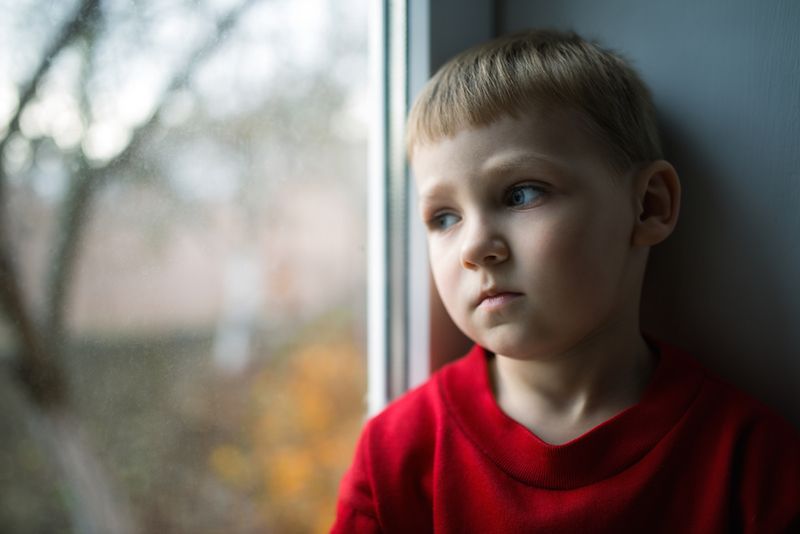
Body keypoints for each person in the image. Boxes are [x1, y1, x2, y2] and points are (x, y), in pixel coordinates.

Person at [331, 29, 800, 533]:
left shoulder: (751, 465)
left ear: (649, 206)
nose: (473, 248)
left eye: (520, 194)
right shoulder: (395, 456)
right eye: (444, 218)